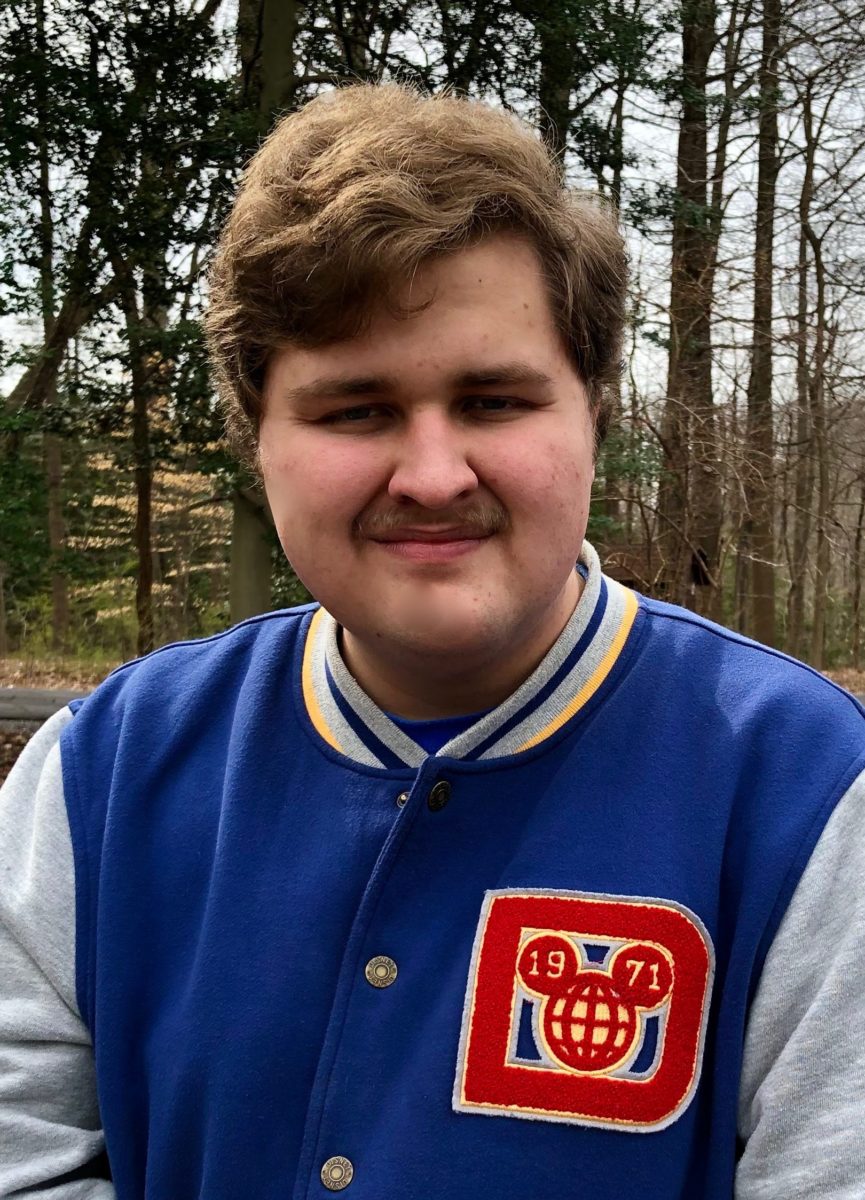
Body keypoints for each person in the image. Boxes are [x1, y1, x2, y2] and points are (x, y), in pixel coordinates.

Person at [1, 83, 863, 1200]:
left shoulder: (804, 789)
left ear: (594, 417)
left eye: (494, 400)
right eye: (354, 410)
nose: (433, 475)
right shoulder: (101, 774)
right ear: (256, 441)